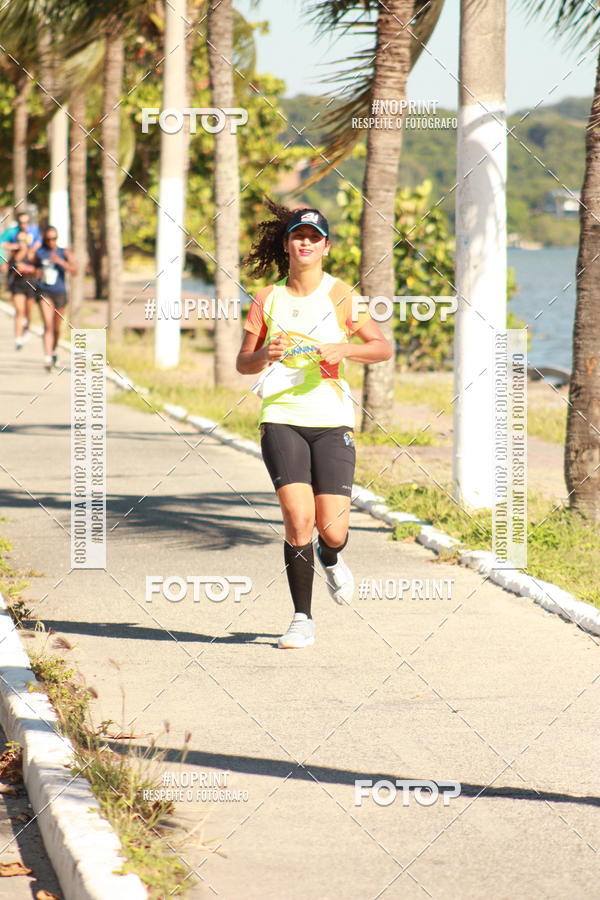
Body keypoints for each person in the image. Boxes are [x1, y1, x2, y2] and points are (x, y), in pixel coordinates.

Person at [237, 201, 392, 649]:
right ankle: (301, 618)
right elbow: (242, 363)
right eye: (298, 236)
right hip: (281, 418)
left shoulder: (342, 295)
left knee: (333, 529)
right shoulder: (267, 299)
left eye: (314, 237)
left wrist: (344, 351)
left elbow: (380, 348)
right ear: (287, 244)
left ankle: (331, 556)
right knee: (297, 518)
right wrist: (263, 356)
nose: (305, 243)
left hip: (332, 421)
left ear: (326, 246)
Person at [33, 226, 77, 371]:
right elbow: (31, 266)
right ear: (44, 239)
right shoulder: (40, 253)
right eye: (48, 239)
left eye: (54, 238)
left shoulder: (63, 252)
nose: (51, 242)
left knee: (56, 328)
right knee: (48, 325)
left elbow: (74, 270)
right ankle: (47, 358)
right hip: (44, 291)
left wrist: (60, 262)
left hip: (59, 292)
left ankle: (53, 352)